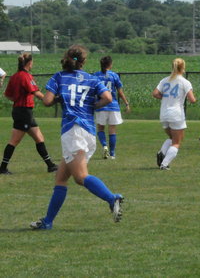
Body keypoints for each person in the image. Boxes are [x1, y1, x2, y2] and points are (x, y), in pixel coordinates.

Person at [30, 45, 123, 230]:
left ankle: (112, 198)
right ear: (83, 61)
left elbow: (47, 101)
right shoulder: (92, 79)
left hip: (73, 130)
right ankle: (47, 221)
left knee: (80, 177)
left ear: (66, 58)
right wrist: (92, 106)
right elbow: (108, 98)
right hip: (88, 131)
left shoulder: (59, 76)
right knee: (61, 178)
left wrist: (59, 98)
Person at [1, 54, 58, 175]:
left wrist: (17, 100)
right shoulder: (26, 76)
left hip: (19, 110)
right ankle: (2, 168)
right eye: (32, 62)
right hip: (24, 112)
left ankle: (50, 166)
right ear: (29, 63)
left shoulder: (15, 76)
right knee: (14, 140)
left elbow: (7, 94)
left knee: (39, 138)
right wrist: (50, 100)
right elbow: (36, 92)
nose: (33, 64)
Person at [152, 58, 196, 170]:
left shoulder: (164, 80)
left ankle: (162, 152)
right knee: (176, 142)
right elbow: (192, 99)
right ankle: (164, 164)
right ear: (183, 68)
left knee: (173, 138)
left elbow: (155, 93)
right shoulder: (184, 82)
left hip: (164, 113)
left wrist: (165, 97)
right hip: (176, 114)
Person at [94, 56, 130, 159]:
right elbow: (120, 92)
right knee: (112, 130)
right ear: (110, 64)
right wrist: (126, 103)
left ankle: (105, 146)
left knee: (100, 128)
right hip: (113, 106)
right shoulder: (114, 75)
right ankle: (112, 154)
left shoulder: (96, 76)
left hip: (101, 105)